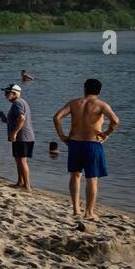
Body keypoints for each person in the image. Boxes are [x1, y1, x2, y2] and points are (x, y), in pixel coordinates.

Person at [53, 78, 120, 222]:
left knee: (75, 175)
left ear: (84, 89)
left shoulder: (74, 103)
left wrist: (62, 136)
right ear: (100, 91)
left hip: (75, 143)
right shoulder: (101, 105)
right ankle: (89, 212)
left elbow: (57, 117)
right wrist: (106, 134)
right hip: (92, 144)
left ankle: (76, 209)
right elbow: (115, 121)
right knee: (92, 179)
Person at [2, 84, 34, 190]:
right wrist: (7, 121)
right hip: (23, 136)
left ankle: (27, 185)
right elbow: (18, 119)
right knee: (18, 159)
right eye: (5, 92)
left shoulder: (17, 102)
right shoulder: (19, 102)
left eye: (7, 92)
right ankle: (20, 182)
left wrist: (14, 132)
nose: (5, 94)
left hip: (22, 136)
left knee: (22, 160)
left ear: (14, 93)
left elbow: (21, 118)